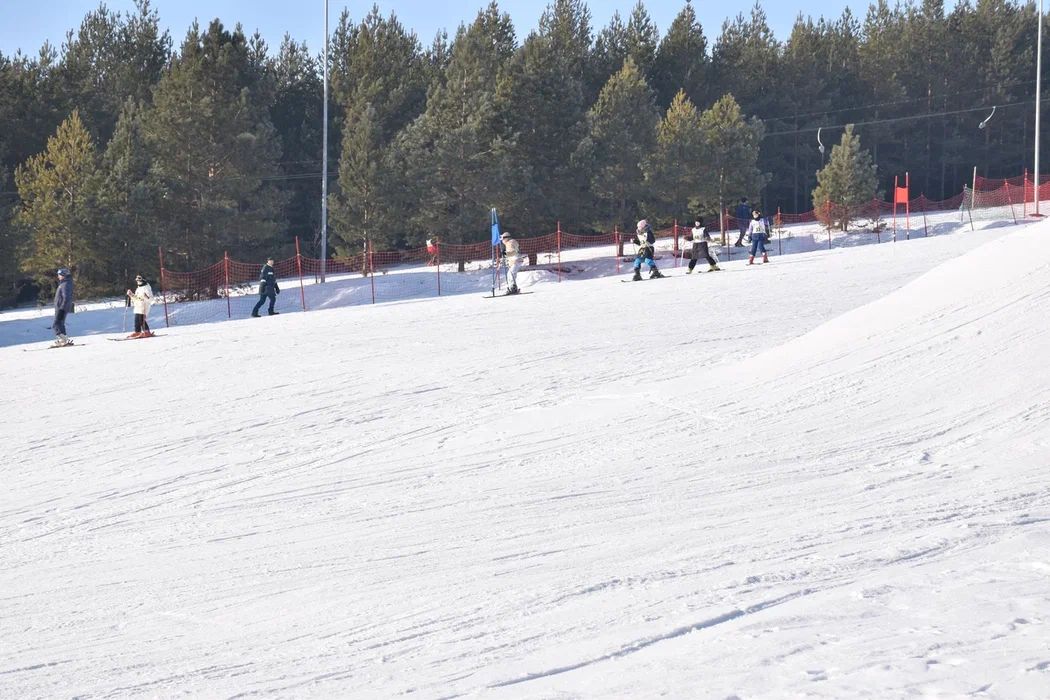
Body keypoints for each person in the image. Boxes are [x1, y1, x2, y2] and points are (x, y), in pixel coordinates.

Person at [51, 267, 75, 347]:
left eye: (59, 275)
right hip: (61, 307)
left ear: (64, 275)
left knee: (56, 324)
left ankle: (63, 339)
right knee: (60, 323)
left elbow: (66, 297)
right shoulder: (65, 283)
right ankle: (64, 339)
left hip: (62, 307)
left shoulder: (65, 284)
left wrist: (62, 308)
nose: (58, 276)